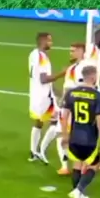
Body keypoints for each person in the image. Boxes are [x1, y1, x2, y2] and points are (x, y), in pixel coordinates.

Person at [61, 66, 100, 198]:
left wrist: (64, 136)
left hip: (75, 136)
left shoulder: (71, 93)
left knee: (77, 164)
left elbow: (64, 116)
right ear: (93, 77)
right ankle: (78, 191)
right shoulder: (97, 95)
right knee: (94, 166)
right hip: (89, 138)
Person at [27, 32, 69, 172]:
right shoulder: (41, 57)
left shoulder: (33, 54)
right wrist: (63, 73)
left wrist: (58, 92)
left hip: (37, 94)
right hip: (44, 97)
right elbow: (44, 79)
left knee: (39, 122)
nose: (51, 43)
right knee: (57, 122)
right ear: (43, 41)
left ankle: (33, 152)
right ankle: (41, 151)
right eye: (49, 40)